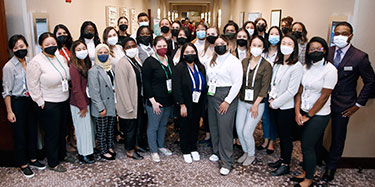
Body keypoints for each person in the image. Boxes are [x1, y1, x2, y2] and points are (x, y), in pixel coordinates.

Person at [323, 22, 375, 182]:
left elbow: (370, 81)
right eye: (337, 33)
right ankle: (316, 158)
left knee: (338, 137)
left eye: (344, 33)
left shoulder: (360, 56)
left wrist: (358, 105)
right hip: (324, 101)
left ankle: (331, 168)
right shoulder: (327, 52)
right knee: (317, 132)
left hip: (345, 104)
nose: (339, 36)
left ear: (351, 36)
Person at [291, 37, 338, 187]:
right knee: (306, 144)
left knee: (307, 145)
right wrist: (298, 112)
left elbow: (324, 97)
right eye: (312, 49)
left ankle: (309, 179)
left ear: (325, 50)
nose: (315, 52)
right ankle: (306, 171)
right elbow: (299, 91)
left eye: (319, 49)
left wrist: (308, 116)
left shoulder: (330, 70)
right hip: (303, 110)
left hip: (319, 114)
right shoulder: (306, 67)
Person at [2, 35, 46, 178]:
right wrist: (10, 111)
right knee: (20, 134)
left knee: (32, 131)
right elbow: (6, 91)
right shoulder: (9, 67)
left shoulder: (31, 62)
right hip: (18, 102)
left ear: (27, 46)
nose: (20, 49)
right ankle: (23, 163)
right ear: (12, 50)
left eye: (22, 46)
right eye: (16, 48)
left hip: (31, 100)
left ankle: (33, 159)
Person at [26, 32, 71, 172]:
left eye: (53, 43)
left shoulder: (59, 57)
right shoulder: (36, 62)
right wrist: (40, 101)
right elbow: (32, 84)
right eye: (47, 44)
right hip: (48, 102)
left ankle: (62, 155)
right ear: (41, 46)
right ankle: (53, 162)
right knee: (52, 133)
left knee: (63, 130)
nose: (51, 46)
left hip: (63, 99)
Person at [206, 34, 243, 175]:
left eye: (222, 43)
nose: (219, 46)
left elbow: (237, 83)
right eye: (217, 44)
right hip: (212, 95)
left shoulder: (234, 62)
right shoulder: (211, 60)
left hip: (227, 96)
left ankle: (227, 161)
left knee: (225, 129)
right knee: (214, 126)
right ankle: (217, 151)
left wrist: (227, 101)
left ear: (228, 46)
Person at [267, 34, 303, 176]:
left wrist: (275, 103)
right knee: (280, 136)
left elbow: (292, 91)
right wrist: (271, 98)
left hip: (285, 108)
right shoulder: (277, 63)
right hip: (274, 104)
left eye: (289, 44)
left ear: (294, 48)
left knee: (286, 137)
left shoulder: (296, 66)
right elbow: (273, 83)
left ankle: (285, 164)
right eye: (284, 43)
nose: (285, 46)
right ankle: (281, 159)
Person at [235, 35, 272, 166]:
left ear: (263, 48)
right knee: (239, 130)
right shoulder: (244, 62)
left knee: (247, 131)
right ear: (249, 47)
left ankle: (251, 154)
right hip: (242, 101)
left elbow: (264, 87)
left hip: (257, 104)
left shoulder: (267, 66)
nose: (256, 48)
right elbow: (239, 81)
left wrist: (256, 104)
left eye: (259, 46)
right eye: (254, 45)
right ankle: (245, 152)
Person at [173, 43, 207, 163]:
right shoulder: (179, 68)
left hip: (198, 102)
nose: (190, 55)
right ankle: (185, 149)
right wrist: (181, 104)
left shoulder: (200, 67)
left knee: (195, 126)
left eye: (192, 52)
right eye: (187, 53)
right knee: (185, 126)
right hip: (185, 103)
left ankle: (193, 147)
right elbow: (176, 88)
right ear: (183, 55)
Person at [143, 36, 174, 162]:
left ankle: (160, 146)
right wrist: (153, 102)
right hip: (155, 101)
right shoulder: (149, 62)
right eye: (159, 46)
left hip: (167, 100)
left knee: (163, 125)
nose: (162, 48)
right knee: (153, 127)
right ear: (154, 47)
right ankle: (153, 150)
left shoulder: (169, 59)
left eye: (164, 46)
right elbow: (146, 83)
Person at [115, 37, 144, 160]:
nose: (132, 49)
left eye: (133, 46)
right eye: (128, 47)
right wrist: (128, 106)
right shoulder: (122, 64)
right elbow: (122, 88)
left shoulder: (136, 60)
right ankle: (129, 150)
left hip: (138, 99)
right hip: (129, 101)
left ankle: (136, 145)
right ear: (123, 49)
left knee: (138, 125)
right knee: (130, 128)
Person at [88, 44, 117, 161]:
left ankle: (110, 146)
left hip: (112, 103)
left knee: (110, 128)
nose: (103, 55)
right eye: (100, 53)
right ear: (96, 55)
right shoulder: (93, 71)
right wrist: (100, 107)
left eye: (105, 52)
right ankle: (103, 150)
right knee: (102, 129)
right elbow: (94, 91)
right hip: (102, 105)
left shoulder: (111, 67)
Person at [69, 40, 95, 164]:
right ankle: (83, 154)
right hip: (79, 104)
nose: (82, 51)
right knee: (81, 130)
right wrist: (82, 106)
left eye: (83, 48)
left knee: (88, 129)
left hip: (87, 100)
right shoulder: (74, 67)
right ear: (74, 52)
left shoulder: (86, 63)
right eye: (78, 50)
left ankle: (89, 151)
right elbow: (76, 89)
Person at [257, 26, 282, 154]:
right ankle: (265, 139)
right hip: (264, 90)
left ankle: (272, 141)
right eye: (271, 34)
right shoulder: (263, 53)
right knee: (265, 117)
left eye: (276, 34)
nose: (273, 36)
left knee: (273, 118)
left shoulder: (282, 54)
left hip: (277, 92)